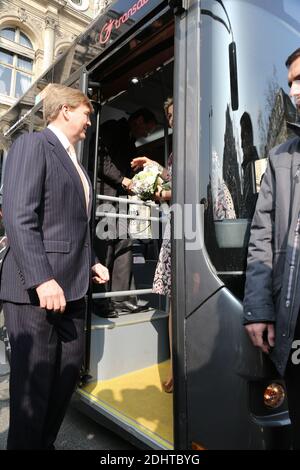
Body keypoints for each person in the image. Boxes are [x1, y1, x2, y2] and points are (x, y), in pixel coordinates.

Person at [0, 83, 109, 450]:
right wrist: (42, 278)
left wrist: (91, 261)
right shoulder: (32, 146)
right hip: (35, 291)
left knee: (64, 381)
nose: (89, 122)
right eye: (86, 114)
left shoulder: (75, 162)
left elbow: (71, 224)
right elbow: (19, 217)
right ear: (65, 110)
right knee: (33, 392)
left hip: (73, 290)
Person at [243, 48, 300, 450]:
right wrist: (260, 309)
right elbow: (261, 236)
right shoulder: (281, 157)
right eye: (293, 81)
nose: (295, 90)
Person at [94, 108, 157, 318]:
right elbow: (100, 160)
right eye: (148, 129)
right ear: (139, 120)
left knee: (125, 244)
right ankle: (100, 300)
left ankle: (121, 298)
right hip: (105, 198)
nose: (147, 134)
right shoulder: (112, 129)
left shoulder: (130, 141)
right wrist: (123, 179)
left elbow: (124, 170)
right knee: (106, 247)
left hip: (119, 200)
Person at [131, 97, 173, 392]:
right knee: (174, 303)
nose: (172, 119)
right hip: (178, 227)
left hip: (195, 227)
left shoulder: (199, 138)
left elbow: (185, 185)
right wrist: (156, 168)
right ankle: (177, 367)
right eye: (169, 114)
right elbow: (172, 182)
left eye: (175, 113)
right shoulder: (175, 151)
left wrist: (160, 191)